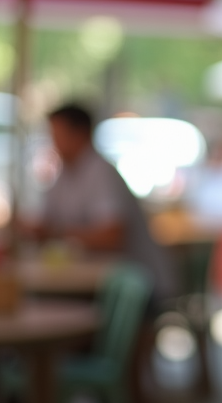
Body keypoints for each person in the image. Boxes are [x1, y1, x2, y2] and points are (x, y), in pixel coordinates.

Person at [33, 103, 175, 303]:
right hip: (100, 284)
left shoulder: (101, 172)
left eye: (57, 135)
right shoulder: (64, 174)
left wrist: (54, 232)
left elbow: (111, 236)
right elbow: (45, 222)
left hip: (140, 288)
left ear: (80, 133)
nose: (53, 142)